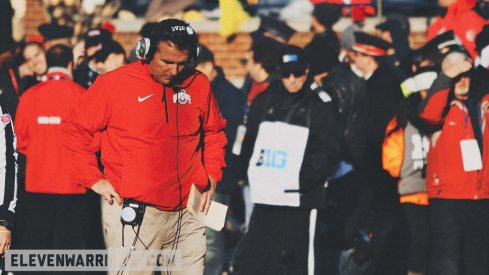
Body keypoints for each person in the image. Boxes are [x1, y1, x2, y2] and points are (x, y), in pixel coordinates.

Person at [61, 19, 227, 275]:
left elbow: (214, 131)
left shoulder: (199, 83)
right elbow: (74, 128)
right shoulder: (115, 84)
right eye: (167, 62)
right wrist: (93, 178)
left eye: (182, 63)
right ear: (146, 52)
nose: (174, 71)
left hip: (189, 212)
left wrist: (212, 174)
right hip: (137, 212)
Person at [235, 45, 343, 275]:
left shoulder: (320, 103)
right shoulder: (265, 100)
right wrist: (244, 173)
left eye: (298, 74)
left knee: (302, 261)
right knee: (256, 258)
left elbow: (329, 149)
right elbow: (248, 140)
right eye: (286, 74)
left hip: (301, 197)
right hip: (266, 195)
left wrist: (302, 180)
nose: (292, 80)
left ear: (307, 72)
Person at [419, 45, 489, 275]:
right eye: (455, 76)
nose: (461, 80)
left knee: (479, 259)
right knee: (447, 259)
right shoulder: (440, 106)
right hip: (448, 197)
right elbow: (427, 115)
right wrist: (446, 76)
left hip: (482, 195)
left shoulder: (483, 103)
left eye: (464, 75)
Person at [14, 44, 88, 256]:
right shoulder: (82, 94)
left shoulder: (29, 95)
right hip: (73, 184)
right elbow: (92, 141)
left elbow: (22, 143)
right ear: (70, 64)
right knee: (69, 245)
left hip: (37, 183)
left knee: (38, 242)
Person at [196, 45, 245, 275]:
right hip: (198, 177)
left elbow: (227, 137)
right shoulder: (200, 91)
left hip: (217, 178)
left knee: (212, 238)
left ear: (208, 66)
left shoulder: (229, 95)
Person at [382, 67, 436, 275]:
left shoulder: (443, 116)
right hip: (412, 191)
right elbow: (391, 160)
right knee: (419, 240)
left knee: (435, 242)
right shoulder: (401, 121)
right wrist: (405, 172)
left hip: (440, 191)